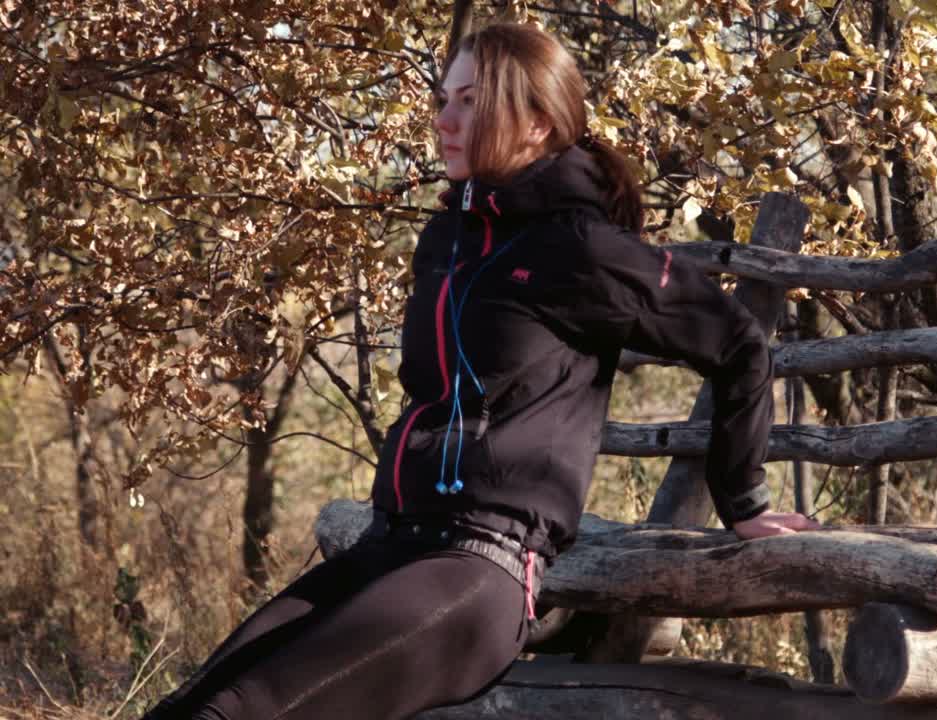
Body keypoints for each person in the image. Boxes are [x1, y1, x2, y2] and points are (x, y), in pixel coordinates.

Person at [143, 21, 819, 720]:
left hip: (480, 572)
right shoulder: (448, 239)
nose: (445, 119)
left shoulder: (582, 247)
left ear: (536, 122)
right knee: (188, 705)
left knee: (237, 713)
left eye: (470, 101)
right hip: (392, 545)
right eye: (444, 100)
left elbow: (737, 341)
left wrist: (744, 504)